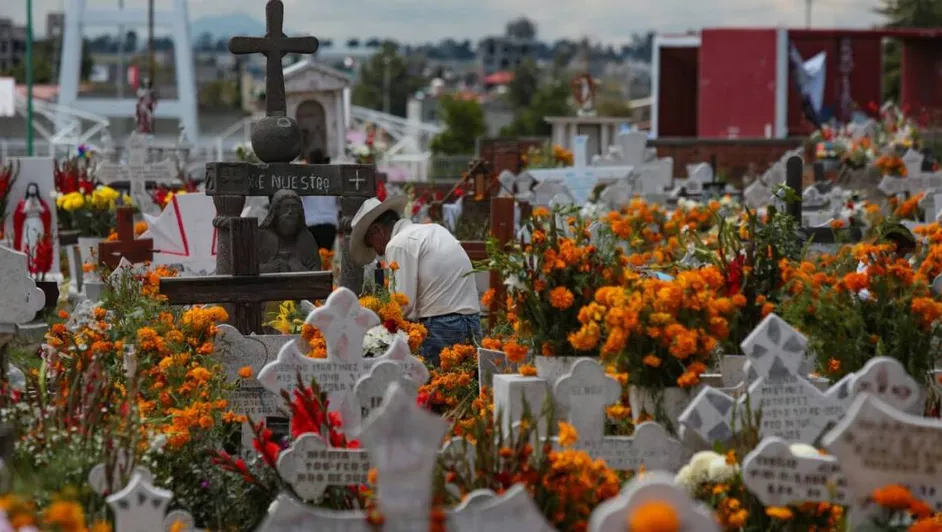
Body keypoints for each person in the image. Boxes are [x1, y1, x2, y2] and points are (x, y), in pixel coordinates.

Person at [350, 195, 481, 366]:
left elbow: (403, 305)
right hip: (472, 318)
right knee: (467, 378)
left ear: (377, 230)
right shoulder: (434, 230)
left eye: (371, 244)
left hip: (441, 324)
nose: (377, 251)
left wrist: (376, 331)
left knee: (433, 380)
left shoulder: (398, 243)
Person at [301, 150, 339, 251]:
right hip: (329, 222)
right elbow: (338, 201)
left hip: (311, 222)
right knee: (326, 256)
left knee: (312, 257)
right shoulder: (331, 177)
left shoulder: (304, 178)